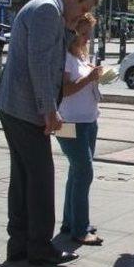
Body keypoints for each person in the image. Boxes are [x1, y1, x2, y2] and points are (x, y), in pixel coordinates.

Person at [0, 0, 100, 265]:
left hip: (14, 106)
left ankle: (19, 245)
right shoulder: (46, 11)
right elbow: (41, 66)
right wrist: (50, 110)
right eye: (83, 8)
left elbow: (51, 52)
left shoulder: (49, 10)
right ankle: (40, 247)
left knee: (23, 178)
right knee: (40, 178)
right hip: (25, 107)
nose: (82, 16)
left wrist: (69, 27)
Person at [56, 13, 104, 246]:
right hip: (68, 123)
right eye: (83, 33)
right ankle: (79, 229)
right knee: (84, 172)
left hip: (88, 121)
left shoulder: (81, 57)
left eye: (89, 33)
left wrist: (96, 76)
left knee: (76, 172)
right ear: (72, 33)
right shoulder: (65, 57)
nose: (87, 38)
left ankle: (70, 221)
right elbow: (64, 90)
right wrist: (89, 79)